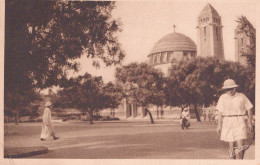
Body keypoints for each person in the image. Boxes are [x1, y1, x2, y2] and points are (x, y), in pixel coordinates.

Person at [216, 79, 253, 159]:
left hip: (239, 120)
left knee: (240, 144)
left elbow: (249, 108)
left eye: (231, 88)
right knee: (231, 145)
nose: (229, 91)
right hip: (227, 121)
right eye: (227, 89)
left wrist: (250, 123)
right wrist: (219, 125)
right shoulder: (222, 98)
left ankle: (240, 161)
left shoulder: (241, 96)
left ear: (235, 88)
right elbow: (220, 112)